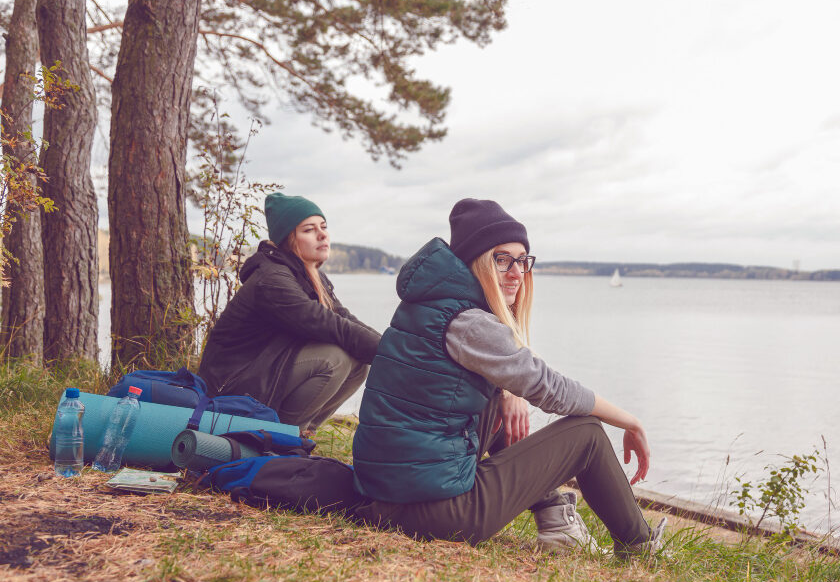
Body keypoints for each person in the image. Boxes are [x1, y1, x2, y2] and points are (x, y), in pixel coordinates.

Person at [351, 198, 666, 557]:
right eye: (502, 260)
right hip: (436, 513)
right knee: (588, 434)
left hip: (387, 496)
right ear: (476, 263)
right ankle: (640, 549)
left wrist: (505, 392)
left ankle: (554, 520)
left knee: (496, 403)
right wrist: (631, 421)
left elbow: (493, 376)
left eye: (522, 260)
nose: (517, 272)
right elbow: (550, 388)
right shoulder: (469, 322)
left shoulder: (434, 305)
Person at [198, 192, 381, 433]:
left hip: (264, 372)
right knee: (335, 358)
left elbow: (344, 318)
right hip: (228, 388)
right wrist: (394, 355)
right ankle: (277, 436)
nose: (322, 234)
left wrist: (396, 346)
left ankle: (303, 434)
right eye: (308, 229)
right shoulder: (272, 279)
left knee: (360, 363)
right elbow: (327, 324)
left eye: (323, 227)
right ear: (288, 239)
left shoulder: (308, 275)